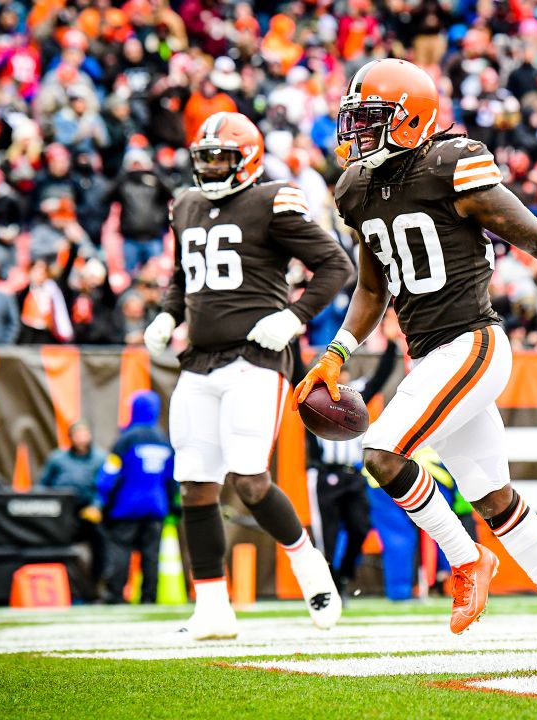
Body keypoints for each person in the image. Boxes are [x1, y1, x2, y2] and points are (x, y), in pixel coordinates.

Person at [297, 60, 537, 670]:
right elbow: (373, 290)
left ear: (411, 119)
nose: (360, 134)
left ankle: (466, 557)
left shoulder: (452, 163)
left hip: (473, 344)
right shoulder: (356, 187)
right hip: (428, 353)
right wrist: (336, 353)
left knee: (381, 454)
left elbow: (531, 234)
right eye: (358, 121)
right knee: (492, 497)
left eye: (373, 121)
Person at [142, 111, 353, 638]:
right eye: (205, 158)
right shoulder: (186, 204)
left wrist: (295, 316)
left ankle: (309, 566)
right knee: (194, 483)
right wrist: (170, 313)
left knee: (250, 479)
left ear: (248, 159)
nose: (211, 168)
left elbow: (335, 265)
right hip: (199, 358)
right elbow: (181, 274)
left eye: (221, 158)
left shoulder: (270, 200)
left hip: (256, 359)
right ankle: (212, 608)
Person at [307, 338, 398, 593]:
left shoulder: (354, 399)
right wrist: (293, 340)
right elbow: (296, 379)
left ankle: (343, 575)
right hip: (325, 474)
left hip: (353, 474)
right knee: (328, 536)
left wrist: (391, 343)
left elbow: (380, 377)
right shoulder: (314, 399)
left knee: (360, 527)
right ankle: (328, 586)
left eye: (344, 372)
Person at [84, 392, 176, 604]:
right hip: (156, 505)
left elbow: (111, 472)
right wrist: (173, 503)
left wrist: (101, 499)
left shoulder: (126, 438)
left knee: (120, 549)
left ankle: (115, 594)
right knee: (151, 553)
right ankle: (149, 597)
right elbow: (172, 477)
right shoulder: (163, 439)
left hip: (127, 505)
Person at [38, 420, 107, 593]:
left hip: (87, 512)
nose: (81, 438)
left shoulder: (100, 458)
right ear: (70, 437)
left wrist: (96, 506)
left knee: (101, 541)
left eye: (84, 433)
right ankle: (55, 587)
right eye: (77, 434)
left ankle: (96, 586)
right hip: (61, 513)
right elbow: (42, 485)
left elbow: (105, 487)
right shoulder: (57, 458)